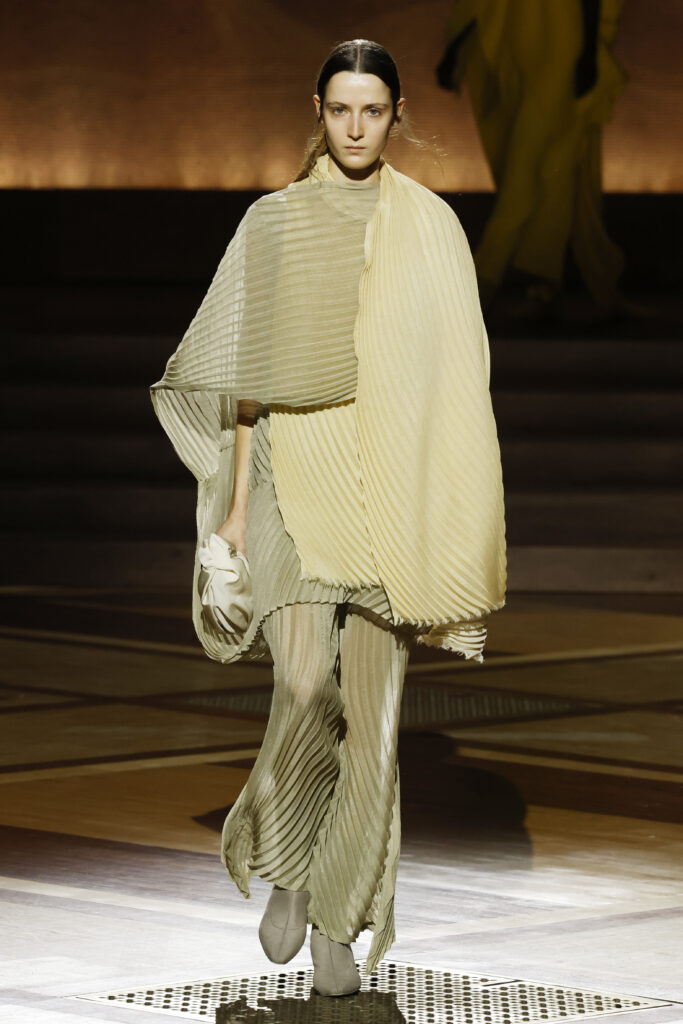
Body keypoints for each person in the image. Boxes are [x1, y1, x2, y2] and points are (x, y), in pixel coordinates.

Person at [151, 39, 506, 997]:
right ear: (317, 110)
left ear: (397, 116)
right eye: (340, 109)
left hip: (387, 482)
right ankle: (286, 860)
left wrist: (452, 511)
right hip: (292, 474)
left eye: (372, 111)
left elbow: (455, 388)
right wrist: (233, 514)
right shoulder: (273, 223)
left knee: (376, 719)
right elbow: (244, 381)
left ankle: (340, 920)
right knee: (306, 684)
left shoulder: (430, 226)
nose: (356, 128)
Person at [435, 0, 628, 316]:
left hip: (562, 48)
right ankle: (544, 277)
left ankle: (483, 280)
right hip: (517, 47)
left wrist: (589, 54)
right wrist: (456, 48)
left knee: (528, 164)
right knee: (550, 165)